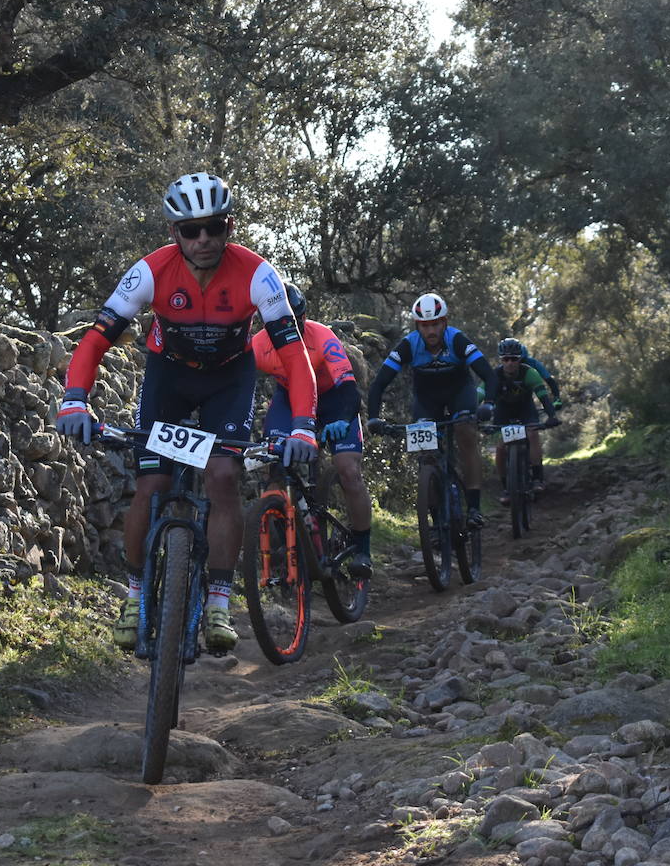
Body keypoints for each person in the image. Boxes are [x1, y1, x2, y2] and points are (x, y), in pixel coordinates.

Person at [54, 172, 318, 653]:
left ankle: (218, 599)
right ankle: (134, 596)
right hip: (169, 378)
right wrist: (75, 397)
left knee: (221, 476)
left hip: (228, 381)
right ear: (173, 233)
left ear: (228, 227)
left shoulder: (258, 274)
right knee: (151, 483)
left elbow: (294, 354)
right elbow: (96, 339)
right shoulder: (150, 272)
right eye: (190, 231)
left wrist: (303, 426)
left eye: (213, 228)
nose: (203, 240)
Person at [252, 282, 375, 578]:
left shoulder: (322, 337)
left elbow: (348, 387)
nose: (288, 329)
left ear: (305, 318)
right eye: (279, 323)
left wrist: (344, 419)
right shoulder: (258, 345)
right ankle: (293, 542)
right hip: (290, 401)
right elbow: (235, 386)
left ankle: (363, 549)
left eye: (295, 321)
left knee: (348, 471)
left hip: (333, 400)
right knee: (275, 465)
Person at [365, 293, 496, 530]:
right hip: (427, 399)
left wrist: (489, 403)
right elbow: (379, 384)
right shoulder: (408, 345)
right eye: (425, 326)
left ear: (444, 322)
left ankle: (474, 507)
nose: (431, 331)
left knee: (466, 432)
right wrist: (373, 417)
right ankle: (435, 522)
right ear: (418, 326)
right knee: (426, 454)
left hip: (460, 393)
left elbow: (488, 374)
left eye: (436, 324)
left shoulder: (457, 340)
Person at [492, 337, 559, 502]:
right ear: (501, 360)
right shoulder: (495, 374)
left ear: (520, 358)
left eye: (514, 359)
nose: (509, 363)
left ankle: (537, 478)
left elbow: (543, 397)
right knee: (500, 448)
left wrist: (552, 415)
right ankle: (506, 487)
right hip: (503, 411)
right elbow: (479, 395)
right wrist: (474, 412)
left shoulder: (530, 372)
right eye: (505, 359)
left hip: (525, 409)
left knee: (533, 434)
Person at [517, 342, 562, 491]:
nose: (518, 366)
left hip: (529, 401)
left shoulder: (533, 364)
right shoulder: (505, 368)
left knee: (533, 434)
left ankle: (538, 475)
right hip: (512, 404)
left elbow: (549, 381)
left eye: (521, 361)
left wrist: (556, 398)